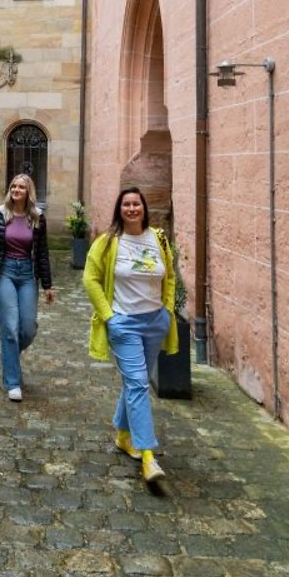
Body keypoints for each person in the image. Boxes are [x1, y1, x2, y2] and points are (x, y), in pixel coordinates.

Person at [82, 186, 178, 483]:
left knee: (135, 381)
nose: (132, 209)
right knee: (138, 384)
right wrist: (109, 317)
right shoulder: (109, 241)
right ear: (119, 209)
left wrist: (167, 310)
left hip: (154, 322)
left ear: (144, 208)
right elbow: (90, 278)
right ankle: (147, 455)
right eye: (127, 204)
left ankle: (123, 435)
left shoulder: (158, 238)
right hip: (124, 323)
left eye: (137, 204)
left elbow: (170, 276)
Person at [0, 174, 54, 402]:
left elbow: (42, 252)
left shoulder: (37, 217)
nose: (16, 189)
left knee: (28, 329)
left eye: (21, 187)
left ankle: (9, 355)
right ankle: (12, 382)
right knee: (10, 328)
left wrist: (48, 285)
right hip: (3, 272)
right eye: (13, 186)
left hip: (28, 274)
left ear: (28, 191)